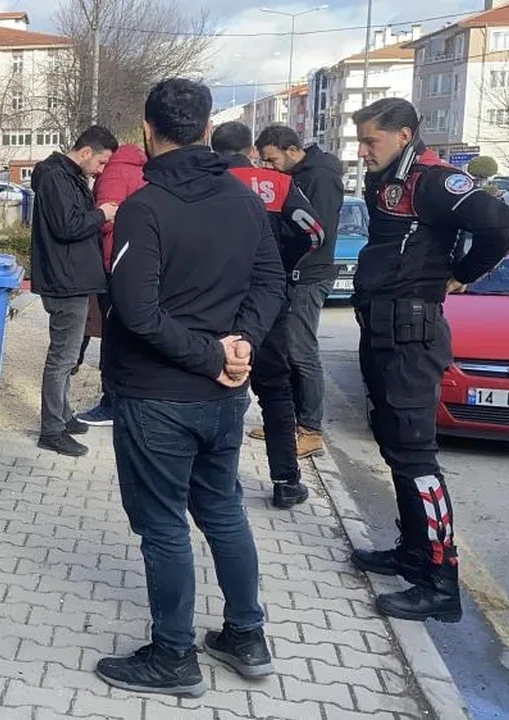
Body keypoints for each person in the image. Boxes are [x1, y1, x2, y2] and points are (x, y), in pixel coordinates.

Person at [95, 79, 286, 697]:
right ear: (206, 129)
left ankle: (175, 657)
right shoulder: (244, 201)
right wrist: (241, 349)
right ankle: (246, 635)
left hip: (161, 397)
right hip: (225, 393)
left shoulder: (145, 209)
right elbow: (271, 285)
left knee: (164, 525)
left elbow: (137, 311)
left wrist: (218, 355)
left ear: (148, 131)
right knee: (223, 508)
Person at [350, 98, 509, 622]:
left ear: (402, 136)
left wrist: (463, 273)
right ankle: (412, 553)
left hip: (412, 336)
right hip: (380, 329)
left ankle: (442, 584)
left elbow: (501, 224)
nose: (361, 151)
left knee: (417, 458)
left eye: (370, 141)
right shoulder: (388, 179)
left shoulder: (435, 180)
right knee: (394, 447)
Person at [212, 121, 326, 509]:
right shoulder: (275, 183)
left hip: (214, 299)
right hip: (269, 300)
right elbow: (315, 233)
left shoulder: (203, 180)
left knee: (219, 384)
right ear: (249, 149)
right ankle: (286, 481)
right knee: (276, 392)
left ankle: (215, 479)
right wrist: (281, 266)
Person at [254, 125, 345, 458]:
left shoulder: (318, 176)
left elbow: (313, 232)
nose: (270, 168)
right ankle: (287, 421)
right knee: (287, 350)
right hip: (295, 272)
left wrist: (288, 260)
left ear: (291, 150)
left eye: (272, 159)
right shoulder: (302, 173)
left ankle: (310, 429)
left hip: (310, 273)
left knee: (301, 350)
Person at [30, 125, 121, 456]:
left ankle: (63, 416)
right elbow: (67, 226)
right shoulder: (56, 177)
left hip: (73, 278)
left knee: (67, 357)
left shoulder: (67, 176)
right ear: (85, 153)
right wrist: (102, 214)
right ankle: (51, 430)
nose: (101, 170)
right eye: (100, 163)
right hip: (64, 281)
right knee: (63, 358)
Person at [76, 143, 149, 427]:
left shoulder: (114, 175)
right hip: (142, 261)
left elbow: (106, 221)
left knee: (112, 335)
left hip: (114, 260)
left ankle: (111, 404)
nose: (98, 171)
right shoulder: (144, 171)